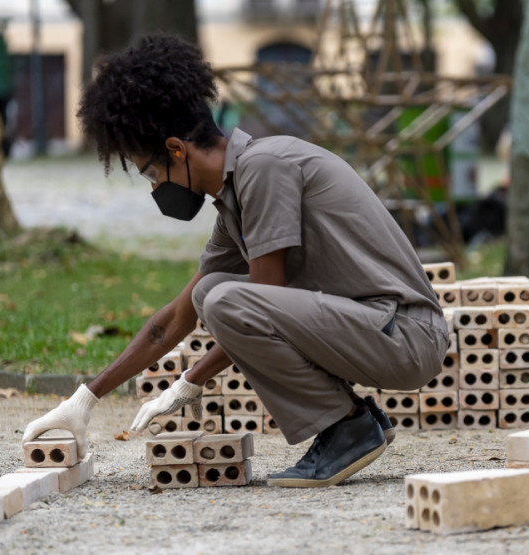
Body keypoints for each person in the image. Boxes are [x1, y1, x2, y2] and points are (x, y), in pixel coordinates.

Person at [22, 35, 448, 488]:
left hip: (405, 334)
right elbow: (174, 318)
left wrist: (190, 380)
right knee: (210, 292)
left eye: (149, 171)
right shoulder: (234, 198)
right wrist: (86, 398)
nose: (152, 188)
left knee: (225, 299)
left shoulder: (265, 168)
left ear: (176, 150)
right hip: (374, 329)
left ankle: (348, 429)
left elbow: (263, 299)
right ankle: (356, 420)